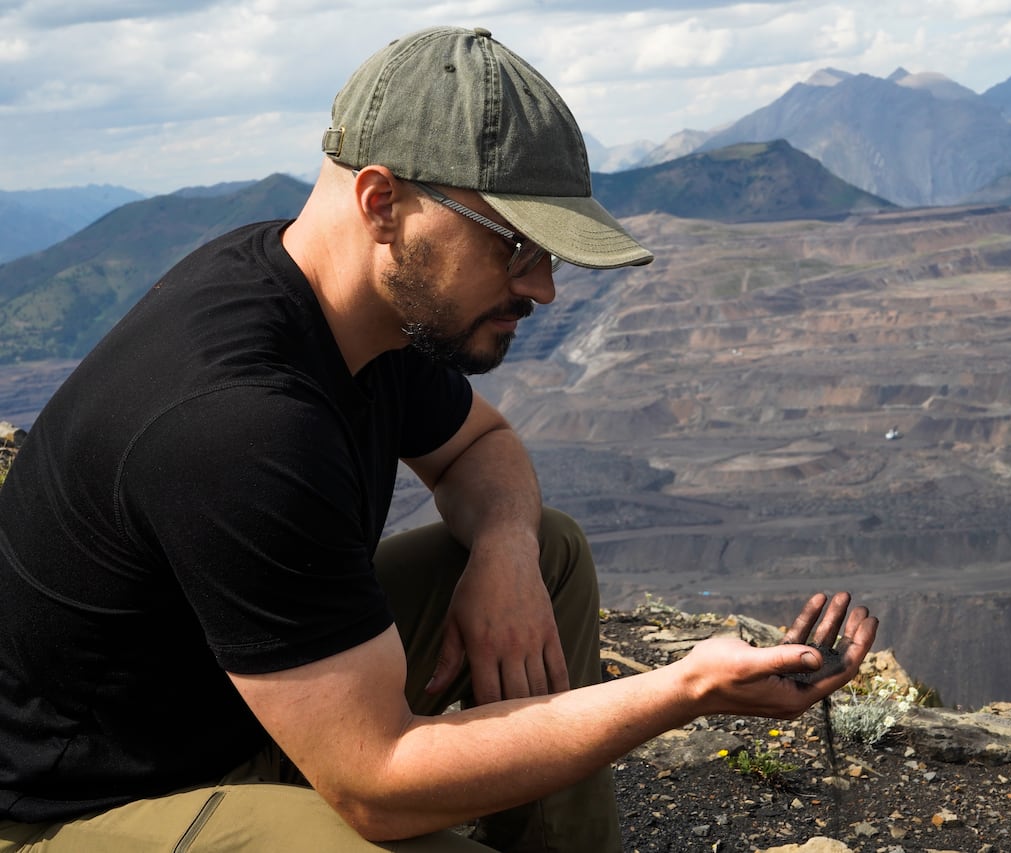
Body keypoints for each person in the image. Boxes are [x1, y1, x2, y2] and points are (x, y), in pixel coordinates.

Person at [0, 25, 878, 852]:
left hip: (247, 714)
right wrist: (684, 689)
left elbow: (477, 449)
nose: (543, 289)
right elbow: (374, 781)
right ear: (384, 203)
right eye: (516, 246)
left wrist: (501, 549)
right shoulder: (238, 422)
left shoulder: (355, 309)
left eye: (552, 253)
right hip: (91, 808)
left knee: (549, 550)